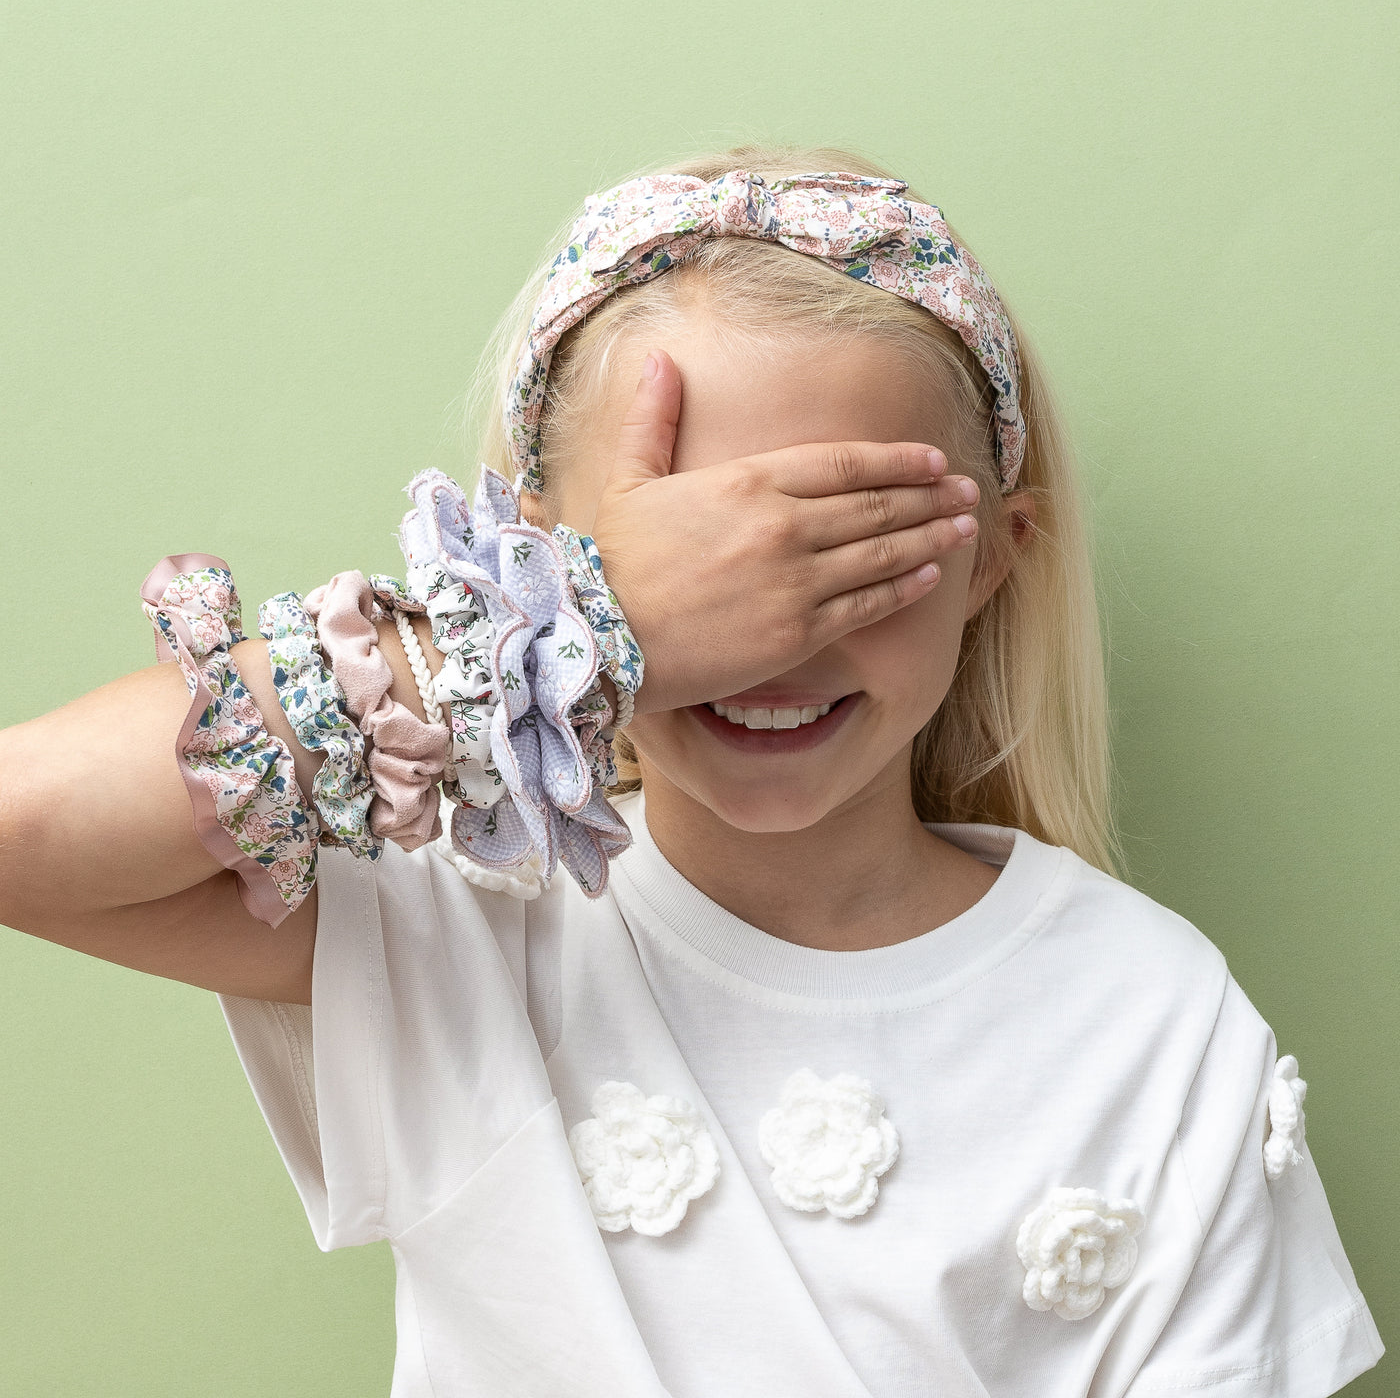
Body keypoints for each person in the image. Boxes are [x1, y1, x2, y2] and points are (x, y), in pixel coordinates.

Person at [0, 143, 1384, 1397]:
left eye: (857, 554)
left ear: (991, 561)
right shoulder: (461, 924)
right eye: (696, 570)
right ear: (536, 560)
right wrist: (570, 626)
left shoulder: (1149, 1020)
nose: (771, 648)